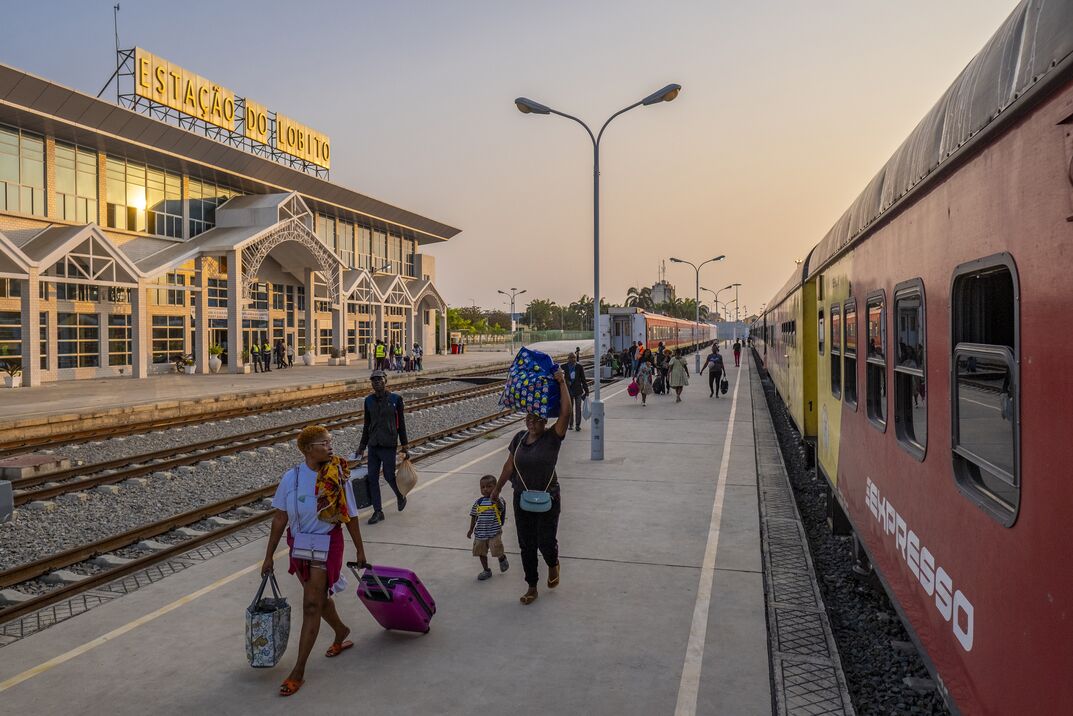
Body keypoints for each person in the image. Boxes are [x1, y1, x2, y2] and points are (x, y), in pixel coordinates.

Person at [262, 425, 369, 697]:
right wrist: (268, 557)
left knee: (311, 604)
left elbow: (351, 515)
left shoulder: (338, 476)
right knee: (319, 599)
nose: (330, 446)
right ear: (308, 449)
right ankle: (342, 630)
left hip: (327, 544)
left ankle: (298, 671)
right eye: (324, 442)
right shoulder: (292, 478)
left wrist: (359, 550)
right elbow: (279, 518)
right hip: (299, 545)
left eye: (330, 441)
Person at [490, 368, 571, 605]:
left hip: (548, 497)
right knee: (526, 544)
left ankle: (553, 563)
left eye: (537, 419)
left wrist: (562, 382)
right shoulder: (518, 439)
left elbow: (566, 414)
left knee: (545, 541)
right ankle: (532, 586)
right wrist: (497, 490)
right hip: (522, 497)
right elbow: (509, 466)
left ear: (544, 421)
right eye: (529, 419)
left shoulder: (553, 438)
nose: (532, 423)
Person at [356, 369, 410, 524]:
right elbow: (367, 424)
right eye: (374, 380)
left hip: (388, 444)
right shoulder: (369, 401)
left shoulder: (395, 400)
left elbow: (401, 424)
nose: (377, 382)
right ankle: (378, 511)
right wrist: (362, 446)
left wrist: (405, 445)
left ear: (386, 381)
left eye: (380, 379)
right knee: (372, 478)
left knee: (388, 475)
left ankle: (400, 495)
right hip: (374, 444)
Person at [468, 475, 509, 581]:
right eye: (483, 487)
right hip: (480, 533)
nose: (485, 489)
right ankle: (486, 570)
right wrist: (471, 529)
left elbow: (501, 508)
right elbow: (473, 516)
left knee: (496, 549)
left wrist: (496, 500)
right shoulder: (478, 502)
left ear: (495, 487)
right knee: (480, 552)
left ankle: (502, 558)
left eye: (489, 486)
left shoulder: (497, 500)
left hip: (494, 532)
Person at [564, 352, 589, 431]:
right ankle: (570, 424)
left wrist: (586, 391)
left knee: (578, 408)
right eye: (571, 357)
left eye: (574, 357)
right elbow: (561, 379)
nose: (573, 359)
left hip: (578, 391)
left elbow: (583, 379)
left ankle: (577, 425)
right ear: (568, 359)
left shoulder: (579, 367)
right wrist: (566, 381)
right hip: (569, 391)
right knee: (570, 409)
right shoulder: (563, 367)